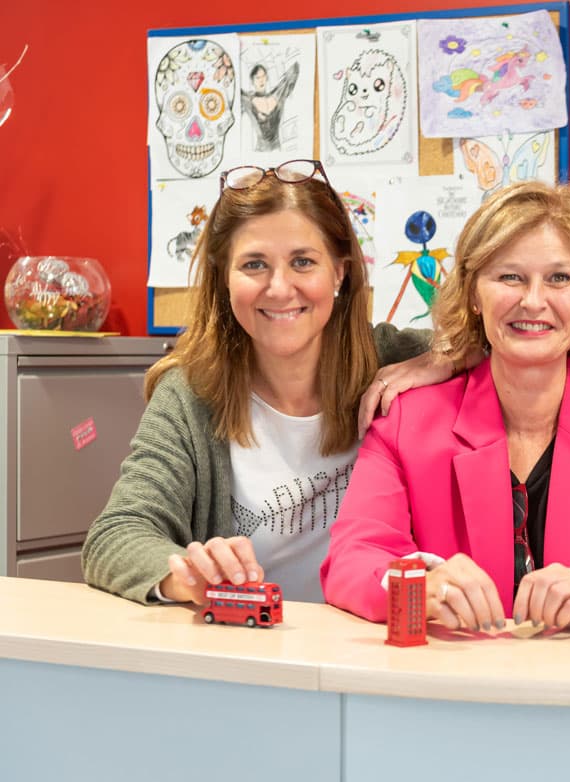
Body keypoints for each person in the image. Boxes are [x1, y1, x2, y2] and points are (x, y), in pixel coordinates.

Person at [321, 181, 570, 630]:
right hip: (450, 682)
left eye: (559, 278)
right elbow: (353, 559)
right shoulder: (406, 421)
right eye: (509, 277)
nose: (533, 301)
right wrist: (420, 587)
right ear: (474, 295)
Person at [82, 159, 433, 605]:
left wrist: (442, 359)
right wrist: (185, 575)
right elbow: (116, 533)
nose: (280, 287)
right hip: (248, 655)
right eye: (254, 265)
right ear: (224, 277)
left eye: (303, 262)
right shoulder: (191, 394)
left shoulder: (394, 358)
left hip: (371, 651)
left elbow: (498, 340)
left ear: (340, 271)